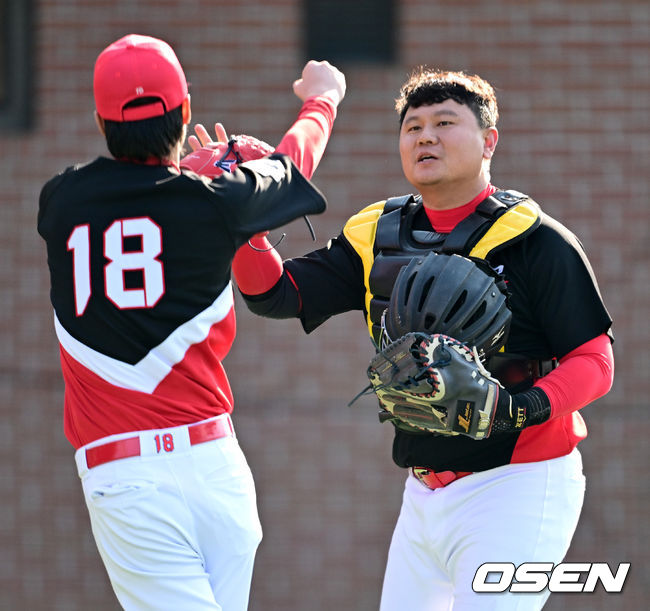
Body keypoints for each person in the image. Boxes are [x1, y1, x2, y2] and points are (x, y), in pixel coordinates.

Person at [192, 67, 615, 609]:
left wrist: (518, 407)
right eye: (412, 127)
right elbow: (276, 293)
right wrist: (242, 228)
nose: (425, 137)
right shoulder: (376, 231)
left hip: (520, 483)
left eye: (445, 122)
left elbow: (596, 359)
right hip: (422, 492)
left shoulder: (537, 240)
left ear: (490, 141)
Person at [37, 33, 345, 611]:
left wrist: (197, 175)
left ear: (103, 123)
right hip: (216, 468)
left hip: (126, 474)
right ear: (184, 110)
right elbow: (291, 163)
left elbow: (142, 210)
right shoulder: (215, 204)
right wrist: (322, 99)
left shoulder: (60, 201)